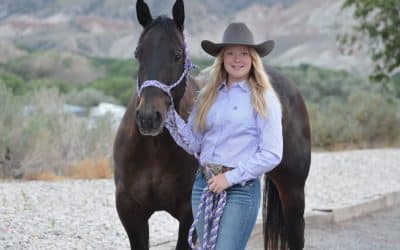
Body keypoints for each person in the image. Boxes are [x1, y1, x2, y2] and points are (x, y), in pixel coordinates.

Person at [165, 22, 283, 250]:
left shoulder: (264, 98)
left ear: (253, 59)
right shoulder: (208, 95)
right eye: (230, 53)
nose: (237, 59)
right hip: (204, 184)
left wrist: (228, 179)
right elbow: (195, 143)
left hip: (240, 189)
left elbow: (272, 154)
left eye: (243, 54)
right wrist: (170, 116)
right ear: (222, 57)